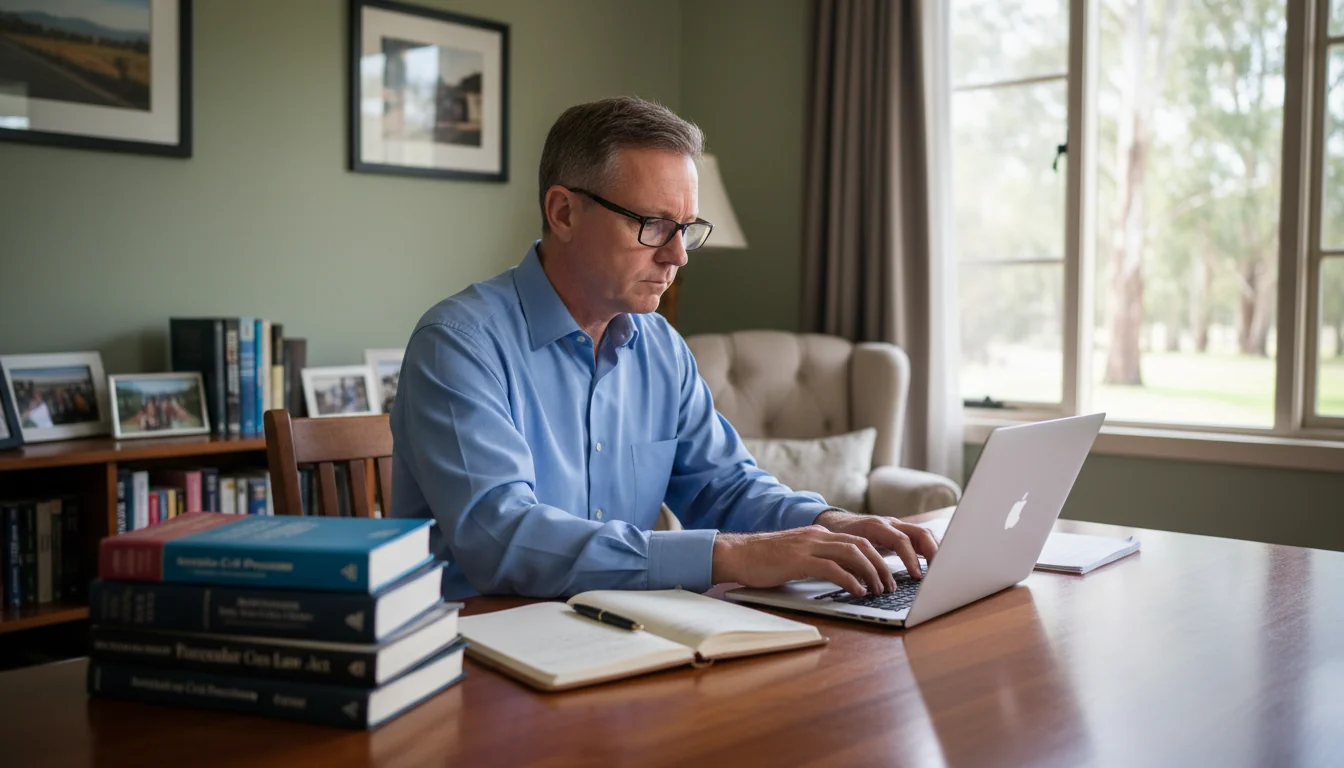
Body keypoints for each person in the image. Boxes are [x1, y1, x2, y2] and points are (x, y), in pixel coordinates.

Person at [391, 96, 938, 600]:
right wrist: (730, 555)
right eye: (654, 225)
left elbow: (724, 486)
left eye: (686, 228)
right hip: (479, 651)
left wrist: (828, 523)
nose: (678, 256)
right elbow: (502, 538)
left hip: (628, 637)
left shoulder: (660, 348)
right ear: (563, 213)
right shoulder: (457, 346)